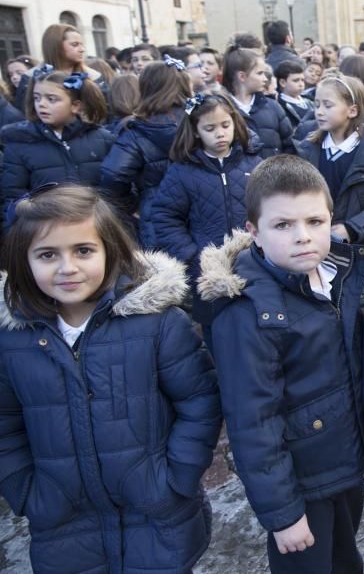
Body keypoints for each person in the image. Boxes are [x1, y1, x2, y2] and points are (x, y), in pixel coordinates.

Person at [0, 184, 221, 573]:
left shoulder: (158, 323)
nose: (67, 268)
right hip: (64, 526)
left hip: (157, 517)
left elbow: (199, 400)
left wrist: (175, 478)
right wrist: (26, 490)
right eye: (48, 254)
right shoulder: (12, 339)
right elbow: (5, 424)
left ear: (109, 250)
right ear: (24, 260)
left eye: (83, 251)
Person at [198, 155, 364, 574]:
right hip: (300, 483)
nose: (303, 237)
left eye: (315, 222)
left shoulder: (340, 273)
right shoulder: (247, 313)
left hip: (343, 462)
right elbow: (252, 421)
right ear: (253, 233)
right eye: (283, 225)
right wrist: (283, 514)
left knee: (344, 558)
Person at [150, 93, 263, 323]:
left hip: (253, 263)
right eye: (210, 128)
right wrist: (193, 256)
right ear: (196, 131)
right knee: (215, 325)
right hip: (207, 271)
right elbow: (165, 216)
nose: (220, 133)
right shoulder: (183, 170)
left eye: (225, 125)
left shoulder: (253, 163)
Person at [296, 75, 364, 278]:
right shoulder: (308, 148)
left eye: (328, 105)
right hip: (316, 248)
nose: (319, 111)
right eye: (316, 104)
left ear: (352, 110)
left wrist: (351, 229)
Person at [100, 61, 191, 248]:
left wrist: (132, 205)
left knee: (167, 273)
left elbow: (112, 176)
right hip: (203, 207)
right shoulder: (202, 120)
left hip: (155, 212)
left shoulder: (135, 130)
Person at [2, 69, 112, 212]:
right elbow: (12, 194)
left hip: (95, 224)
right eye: (37, 98)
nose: (41, 104)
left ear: (75, 106)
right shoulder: (20, 141)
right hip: (45, 226)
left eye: (51, 99)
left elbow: (115, 189)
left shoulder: (102, 139)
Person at [222, 46, 296, 158]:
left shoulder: (273, 107)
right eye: (260, 73)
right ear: (242, 76)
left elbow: (289, 146)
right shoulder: (222, 109)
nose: (265, 79)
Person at [274, 60, 315, 128]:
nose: (301, 84)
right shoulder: (279, 105)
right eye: (296, 80)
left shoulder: (310, 100)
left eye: (302, 80)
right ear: (282, 82)